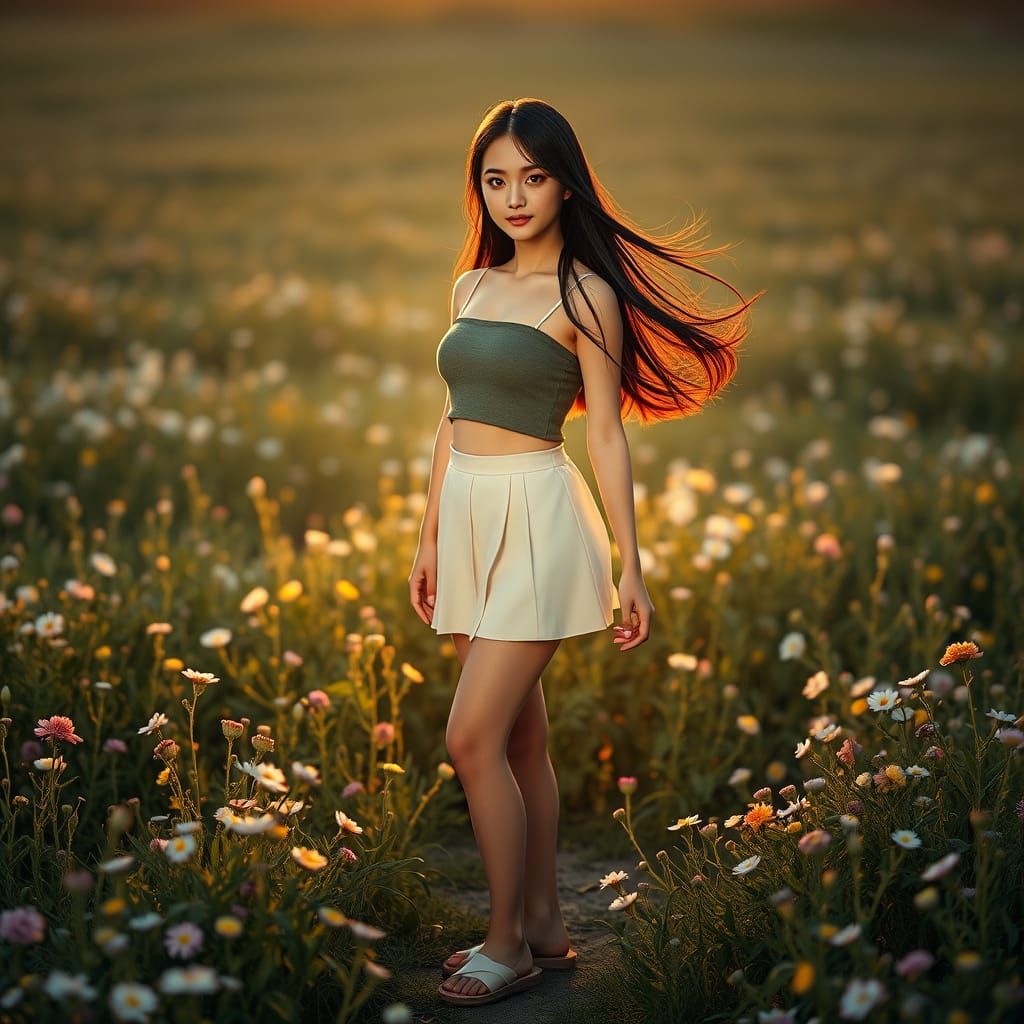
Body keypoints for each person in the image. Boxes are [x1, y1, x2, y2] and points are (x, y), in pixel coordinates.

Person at [408, 97, 762, 1008]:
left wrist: (632, 565)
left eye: (533, 177)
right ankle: (547, 928)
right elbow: (450, 418)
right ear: (478, 189)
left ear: (565, 182)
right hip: (468, 516)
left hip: (538, 517)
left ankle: (505, 946)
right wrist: (427, 536)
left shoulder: (584, 292)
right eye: (495, 180)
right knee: (521, 735)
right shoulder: (471, 287)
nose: (514, 197)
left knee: (471, 736)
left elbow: (605, 435)